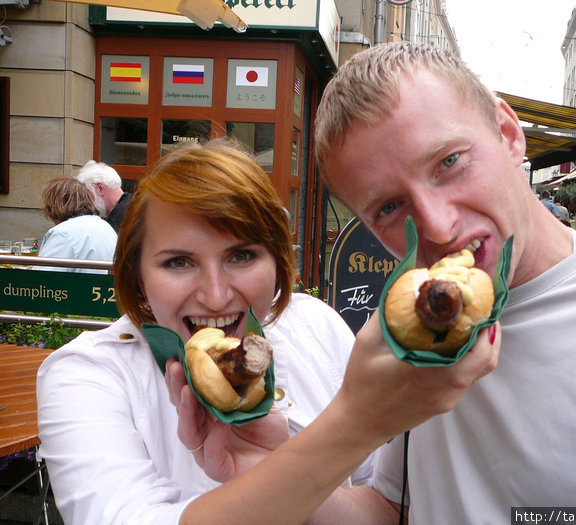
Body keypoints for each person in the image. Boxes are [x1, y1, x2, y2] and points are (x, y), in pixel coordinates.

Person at [166, 42, 576, 524]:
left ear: (509, 134)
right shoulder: (404, 340)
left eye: (449, 163)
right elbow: (390, 510)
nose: (439, 227)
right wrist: (274, 469)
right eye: (390, 208)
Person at [36, 140, 379, 524]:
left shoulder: (317, 326)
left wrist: (281, 474)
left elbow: (381, 495)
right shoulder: (86, 375)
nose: (216, 298)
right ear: (138, 274)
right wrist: (282, 482)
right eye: (179, 262)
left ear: (279, 262)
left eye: (242, 256)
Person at [36, 176, 117, 274]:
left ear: (53, 207)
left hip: (77, 288)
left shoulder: (64, 233)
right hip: (99, 287)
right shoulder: (105, 226)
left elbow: (42, 278)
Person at [75, 160, 133, 232]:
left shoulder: (123, 218)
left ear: (100, 188)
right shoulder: (132, 205)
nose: (85, 201)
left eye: (87, 194)